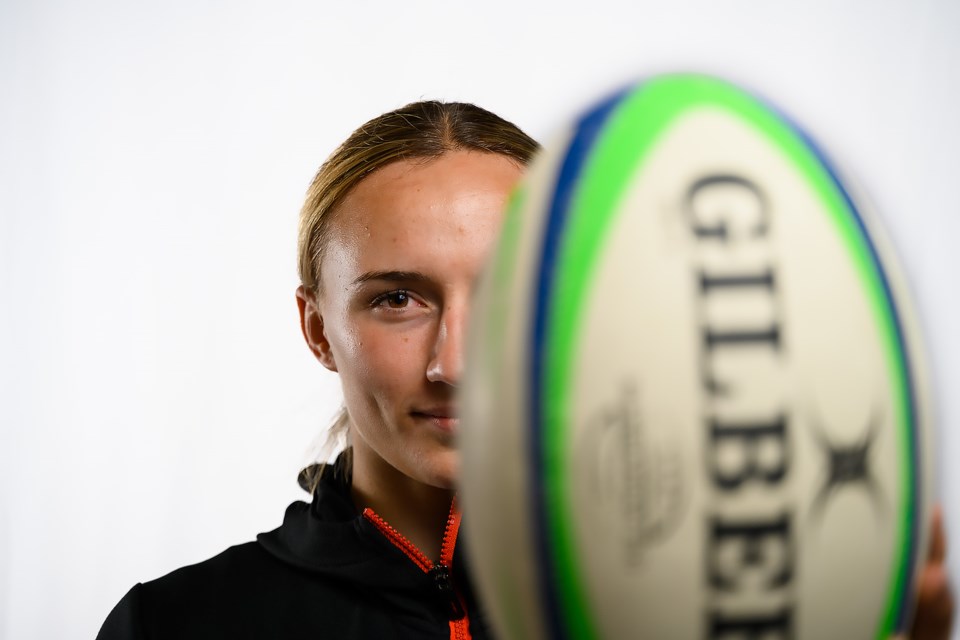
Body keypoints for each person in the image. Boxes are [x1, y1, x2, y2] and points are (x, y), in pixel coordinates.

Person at [97, 100, 953, 639]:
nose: (457, 363)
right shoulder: (176, 626)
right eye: (398, 299)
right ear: (318, 329)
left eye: (507, 294)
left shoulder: (684, 605)